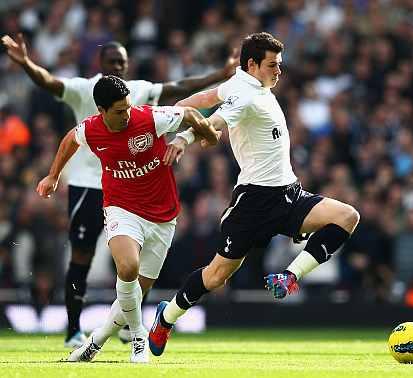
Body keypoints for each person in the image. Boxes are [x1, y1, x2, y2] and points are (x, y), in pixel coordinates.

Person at [1, 34, 237, 348]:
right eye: (112, 62)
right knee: (82, 255)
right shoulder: (85, 88)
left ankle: (129, 323)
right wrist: (27, 63)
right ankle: (73, 328)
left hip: (132, 186)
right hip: (89, 183)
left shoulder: (136, 91)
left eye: (122, 62)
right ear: (101, 64)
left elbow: (180, 88)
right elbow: (48, 83)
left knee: (139, 261)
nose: (118, 66)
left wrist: (221, 75)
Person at [148, 32, 360, 357]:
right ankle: (167, 316)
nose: (279, 71)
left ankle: (290, 276)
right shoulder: (245, 96)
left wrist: (177, 109)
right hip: (253, 203)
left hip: (288, 193)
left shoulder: (245, 83)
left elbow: (208, 98)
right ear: (252, 64)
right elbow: (216, 119)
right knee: (216, 276)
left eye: (280, 64)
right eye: (273, 65)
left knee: (347, 216)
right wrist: (184, 137)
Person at [36, 75, 219, 363]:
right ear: (101, 111)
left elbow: (190, 113)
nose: (127, 114)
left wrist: (207, 134)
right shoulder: (92, 130)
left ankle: (95, 341)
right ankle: (138, 337)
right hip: (121, 207)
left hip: (162, 215)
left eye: (128, 108)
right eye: (120, 111)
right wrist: (53, 175)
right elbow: (71, 139)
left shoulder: (149, 118)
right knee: (128, 266)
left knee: (133, 294)